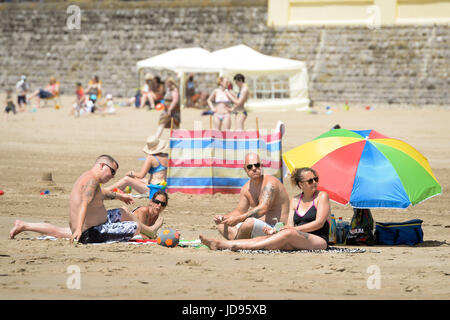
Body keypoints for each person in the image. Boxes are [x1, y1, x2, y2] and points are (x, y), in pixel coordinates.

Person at [200, 167, 330, 251]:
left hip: (318, 239)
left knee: (287, 234)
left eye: (316, 179)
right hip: (297, 238)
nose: (314, 183)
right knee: (264, 239)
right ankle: (221, 244)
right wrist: (275, 231)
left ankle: (231, 245)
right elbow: (289, 225)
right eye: (310, 181)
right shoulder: (295, 200)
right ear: (301, 184)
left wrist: (291, 230)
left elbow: (319, 223)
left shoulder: (322, 196)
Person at [9, 190, 169, 241]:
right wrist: (155, 229)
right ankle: (25, 225)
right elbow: (140, 233)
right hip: (102, 223)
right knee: (64, 233)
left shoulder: (154, 215)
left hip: (102, 220)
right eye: (156, 201)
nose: (158, 206)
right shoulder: (143, 212)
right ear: (150, 201)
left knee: (63, 231)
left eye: (162, 204)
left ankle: (25, 225)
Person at [213, 152, 290, 240]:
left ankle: (237, 243)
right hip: (260, 228)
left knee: (249, 223)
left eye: (257, 165)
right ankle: (241, 242)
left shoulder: (270, 183)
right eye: (250, 167)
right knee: (222, 225)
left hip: (276, 229)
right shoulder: (246, 188)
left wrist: (237, 219)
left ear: (261, 166)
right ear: (245, 169)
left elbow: (262, 209)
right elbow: (239, 211)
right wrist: (224, 218)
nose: (254, 169)